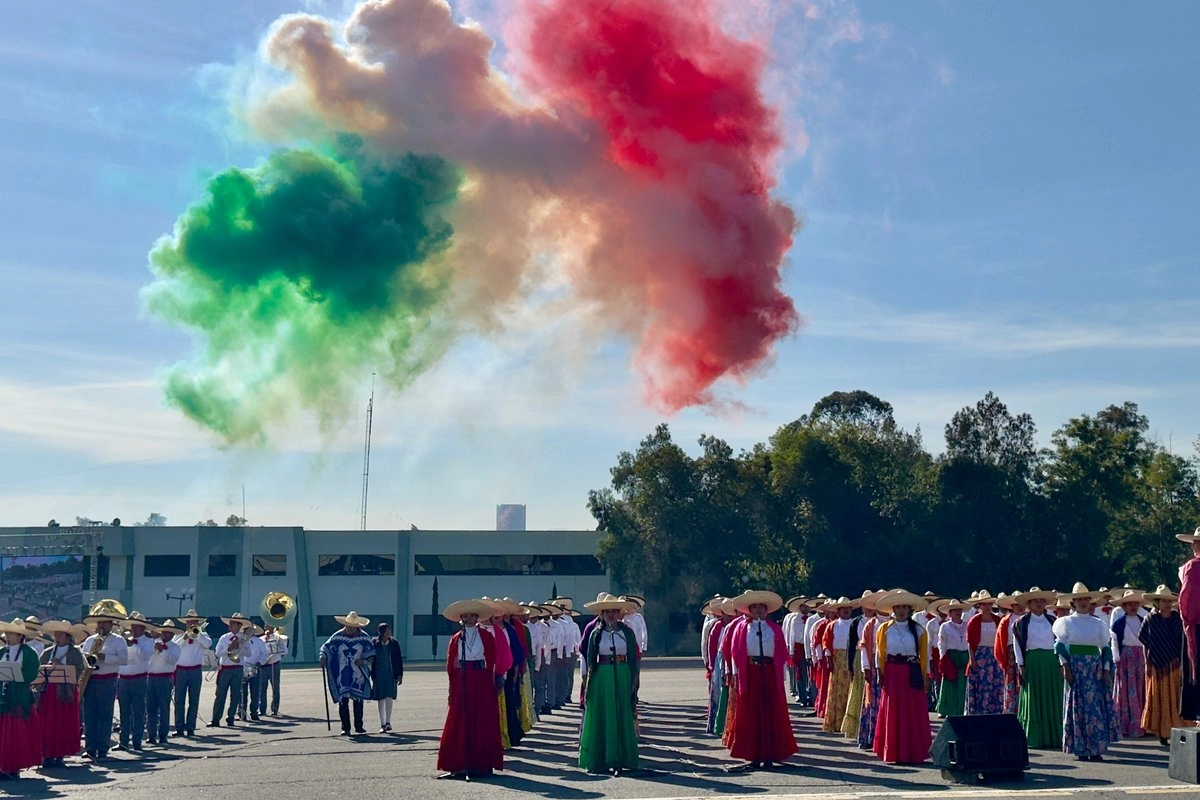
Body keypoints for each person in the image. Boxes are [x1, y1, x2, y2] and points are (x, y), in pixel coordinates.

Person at [724, 589, 797, 770]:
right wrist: (735, 673)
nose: (758, 610)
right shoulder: (741, 629)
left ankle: (771, 753)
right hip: (750, 673)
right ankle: (753, 754)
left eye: (761, 607)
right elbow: (735, 653)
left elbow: (781, 653)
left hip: (770, 673)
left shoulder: (774, 629)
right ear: (749, 610)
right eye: (754, 607)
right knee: (751, 713)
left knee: (770, 713)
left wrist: (782, 676)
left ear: (767, 610)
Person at [437, 599, 504, 779]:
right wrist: (452, 688)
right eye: (465, 616)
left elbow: (492, 661)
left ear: (477, 618)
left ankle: (483, 763)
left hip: (481, 679)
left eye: (471, 616)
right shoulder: (456, 638)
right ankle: (458, 763)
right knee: (460, 719)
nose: (468, 619)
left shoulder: (487, 636)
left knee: (482, 719)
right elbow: (452, 664)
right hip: (463, 679)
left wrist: (494, 681)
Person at [1054, 583, 1118, 761]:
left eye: (1085, 599)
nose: (1083, 602)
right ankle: (1080, 748)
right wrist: (1066, 667)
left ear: (1090, 602)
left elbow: (1105, 648)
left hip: (1094, 668)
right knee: (1078, 707)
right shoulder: (1066, 622)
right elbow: (1059, 646)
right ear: (1073, 602)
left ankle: (1096, 748)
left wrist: (1106, 670)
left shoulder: (1098, 624)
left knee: (1094, 707)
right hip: (1076, 667)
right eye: (1079, 599)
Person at [578, 593, 641, 774]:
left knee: (621, 714)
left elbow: (633, 658)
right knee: (603, 715)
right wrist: (587, 680)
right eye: (608, 612)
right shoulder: (596, 634)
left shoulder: (627, 632)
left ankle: (621, 758)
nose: (611, 615)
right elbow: (589, 658)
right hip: (602, 678)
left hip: (622, 674)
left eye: (614, 611)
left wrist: (634, 680)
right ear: (602, 614)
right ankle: (600, 758)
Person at [873, 590, 932, 765]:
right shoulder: (884, 629)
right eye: (898, 607)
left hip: (911, 672)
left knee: (912, 712)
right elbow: (879, 652)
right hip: (892, 672)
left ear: (910, 609)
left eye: (904, 607)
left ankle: (914, 751)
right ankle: (893, 750)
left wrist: (926, 676)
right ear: (893, 609)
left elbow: (925, 655)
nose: (901, 610)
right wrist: (879, 672)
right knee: (893, 711)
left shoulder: (919, 630)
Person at [1012, 587, 1063, 748]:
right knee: (1033, 697)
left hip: (1051, 661)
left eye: (1041, 600)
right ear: (1029, 604)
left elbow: (1060, 643)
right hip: (1032, 661)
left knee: (1052, 696)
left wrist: (1062, 663)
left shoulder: (1053, 621)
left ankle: (1055, 735)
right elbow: (1017, 645)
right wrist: (1021, 664)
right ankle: (1034, 736)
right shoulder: (1021, 623)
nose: (1039, 604)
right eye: (1035, 601)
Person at [1139, 585, 1190, 744]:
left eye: (1169, 601)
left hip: (1176, 664)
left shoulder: (1177, 619)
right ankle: (1162, 732)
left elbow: (1184, 642)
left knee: (1177, 697)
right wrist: (1146, 663)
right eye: (1163, 601)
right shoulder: (1151, 619)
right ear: (1157, 602)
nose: (1167, 604)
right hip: (1157, 665)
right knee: (1159, 697)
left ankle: (1178, 729)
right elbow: (1145, 643)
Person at [80, 603, 127, 760]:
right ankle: (90, 748)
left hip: (108, 680)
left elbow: (123, 659)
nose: (101, 625)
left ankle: (103, 748)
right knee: (90, 715)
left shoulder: (119, 640)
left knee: (105, 716)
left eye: (104, 622)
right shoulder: (90, 640)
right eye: (99, 622)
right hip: (91, 679)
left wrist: (104, 657)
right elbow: (84, 658)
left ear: (111, 624)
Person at [37, 620, 85, 768]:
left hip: (66, 692)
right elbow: (39, 672)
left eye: (60, 634)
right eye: (55, 634)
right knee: (48, 723)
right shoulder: (47, 652)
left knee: (64, 723)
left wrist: (61, 666)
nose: (57, 637)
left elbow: (78, 670)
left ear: (67, 636)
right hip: (49, 691)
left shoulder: (75, 652)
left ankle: (60, 754)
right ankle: (47, 753)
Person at [0, 618, 43, 778]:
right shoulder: (2, 652)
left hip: (19, 697)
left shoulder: (29, 653)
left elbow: (32, 672)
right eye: (7, 632)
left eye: (10, 633)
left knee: (17, 734)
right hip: (3, 697)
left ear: (19, 636)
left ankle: (13, 767)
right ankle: (3, 765)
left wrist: (16, 675)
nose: (6, 635)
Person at [321, 611, 375, 736]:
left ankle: (359, 726)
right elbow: (326, 647)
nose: (351, 628)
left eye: (353, 626)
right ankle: (345, 727)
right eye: (349, 626)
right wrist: (323, 657)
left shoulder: (364, 637)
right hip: (342, 673)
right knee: (343, 700)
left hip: (358, 674)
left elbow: (372, 652)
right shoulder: (337, 636)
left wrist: (364, 659)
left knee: (358, 700)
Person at [1110, 589, 1148, 738]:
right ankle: (1127, 725)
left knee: (1141, 689)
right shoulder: (1119, 623)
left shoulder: (1143, 620)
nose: (1133, 606)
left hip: (1141, 656)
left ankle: (1143, 724)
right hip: (1126, 658)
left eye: (1135, 603)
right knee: (1126, 690)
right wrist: (1117, 661)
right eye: (1129, 604)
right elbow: (1114, 642)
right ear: (1124, 606)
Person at [117, 612, 155, 751]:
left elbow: (145, 657)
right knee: (124, 712)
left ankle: (137, 741)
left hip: (139, 678)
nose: (133, 629)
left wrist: (134, 645)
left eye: (136, 627)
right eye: (132, 626)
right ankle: (123, 741)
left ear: (143, 628)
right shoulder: (124, 640)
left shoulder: (148, 642)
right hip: (123, 679)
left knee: (138, 712)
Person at [821, 597, 857, 734]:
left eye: (848, 608)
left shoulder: (856, 624)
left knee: (851, 689)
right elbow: (826, 642)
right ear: (838, 611)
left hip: (852, 658)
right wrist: (829, 658)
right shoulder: (833, 625)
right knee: (837, 690)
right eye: (843, 609)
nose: (846, 611)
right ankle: (835, 722)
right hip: (838, 659)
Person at [173, 610, 211, 737]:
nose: (191, 624)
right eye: (189, 622)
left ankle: (190, 727)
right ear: (186, 623)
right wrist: (185, 637)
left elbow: (208, 644)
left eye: (194, 622)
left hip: (195, 670)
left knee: (193, 700)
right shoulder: (179, 635)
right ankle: (179, 727)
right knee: (179, 700)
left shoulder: (202, 634)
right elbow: (174, 647)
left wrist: (197, 634)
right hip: (180, 670)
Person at [211, 612, 251, 727]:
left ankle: (231, 718)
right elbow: (218, 653)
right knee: (220, 695)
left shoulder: (244, 638)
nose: (230, 626)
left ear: (239, 626)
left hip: (237, 668)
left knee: (235, 695)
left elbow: (249, 653)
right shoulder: (224, 638)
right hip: (225, 668)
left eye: (233, 624)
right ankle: (215, 719)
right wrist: (229, 648)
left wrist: (239, 647)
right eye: (230, 624)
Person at [145, 619, 181, 747]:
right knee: (151, 708)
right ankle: (151, 735)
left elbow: (172, 660)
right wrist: (155, 649)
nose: (165, 635)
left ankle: (163, 735)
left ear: (172, 635)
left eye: (168, 633)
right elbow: (146, 659)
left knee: (164, 708)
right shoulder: (153, 645)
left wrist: (162, 650)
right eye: (164, 632)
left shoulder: (175, 647)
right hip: (151, 678)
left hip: (165, 679)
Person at [1177, 527, 1200, 720]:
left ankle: (1195, 711)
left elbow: (1186, 598)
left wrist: (1187, 620)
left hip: (1197, 625)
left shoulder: (1192, 567)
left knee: (1195, 669)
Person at [935, 601, 968, 717]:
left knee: (963, 682)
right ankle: (945, 709)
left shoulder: (967, 625)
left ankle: (962, 708)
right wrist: (943, 658)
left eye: (959, 610)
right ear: (950, 613)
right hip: (951, 656)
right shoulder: (945, 626)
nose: (958, 613)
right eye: (955, 611)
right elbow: (941, 643)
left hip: (964, 655)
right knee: (949, 682)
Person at [371, 622, 404, 733]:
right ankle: (382, 723)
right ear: (382, 632)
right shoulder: (375, 643)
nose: (390, 632)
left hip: (391, 674)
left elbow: (399, 659)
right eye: (388, 630)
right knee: (380, 699)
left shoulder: (394, 643)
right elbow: (371, 658)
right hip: (379, 674)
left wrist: (400, 675)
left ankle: (388, 722)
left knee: (389, 697)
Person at [995, 592, 1025, 715]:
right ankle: (1011, 712)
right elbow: (1000, 642)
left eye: (1021, 603)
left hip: (1026, 654)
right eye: (1015, 604)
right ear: (1011, 606)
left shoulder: (1028, 618)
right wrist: (1004, 660)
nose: (1019, 606)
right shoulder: (1005, 620)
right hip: (1011, 656)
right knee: (1012, 684)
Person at [237, 624, 268, 722]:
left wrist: (260, 662)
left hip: (255, 667)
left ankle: (254, 712)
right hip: (242, 667)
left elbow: (265, 653)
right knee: (242, 692)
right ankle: (242, 712)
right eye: (246, 630)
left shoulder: (259, 642)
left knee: (255, 692)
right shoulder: (240, 640)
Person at [259, 625, 288, 716]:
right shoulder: (261, 639)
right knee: (262, 688)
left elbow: (285, 651)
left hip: (274, 665)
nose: (267, 628)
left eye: (270, 626)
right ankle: (262, 709)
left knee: (275, 688)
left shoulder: (279, 638)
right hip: (263, 666)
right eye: (266, 626)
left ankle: (275, 709)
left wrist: (277, 650)